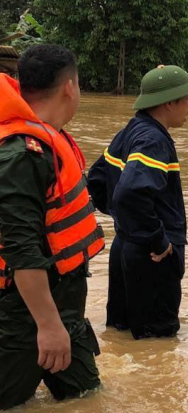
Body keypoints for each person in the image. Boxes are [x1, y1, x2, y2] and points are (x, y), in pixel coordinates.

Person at [0, 44, 104, 409]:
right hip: (25, 317)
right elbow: (21, 249)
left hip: (62, 310)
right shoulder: (25, 154)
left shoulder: (47, 139)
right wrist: (47, 326)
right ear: (70, 88)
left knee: (88, 399)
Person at [87, 65, 188, 340]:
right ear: (169, 102)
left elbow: (97, 180)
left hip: (125, 246)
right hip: (152, 255)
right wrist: (157, 239)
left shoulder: (130, 131)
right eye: (186, 99)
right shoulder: (153, 140)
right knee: (158, 343)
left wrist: (125, 222)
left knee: (123, 334)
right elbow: (130, 192)